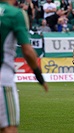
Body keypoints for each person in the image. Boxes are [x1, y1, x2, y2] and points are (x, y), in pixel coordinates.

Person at [0, 0, 48, 133]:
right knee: (9, 128)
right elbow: (27, 51)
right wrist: (39, 76)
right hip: (3, 78)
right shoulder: (15, 14)